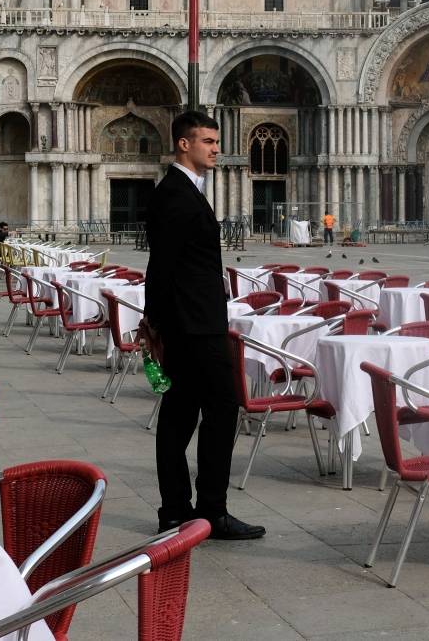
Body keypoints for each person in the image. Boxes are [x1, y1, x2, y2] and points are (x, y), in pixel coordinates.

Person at [146, 110, 264, 541]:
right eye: (208, 142)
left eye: (216, 142)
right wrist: (155, 325)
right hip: (193, 328)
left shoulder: (184, 191)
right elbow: (162, 267)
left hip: (191, 322)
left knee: (179, 415)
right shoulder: (175, 194)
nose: (216, 149)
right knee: (221, 408)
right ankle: (210, 510)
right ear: (184, 144)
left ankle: (176, 511)